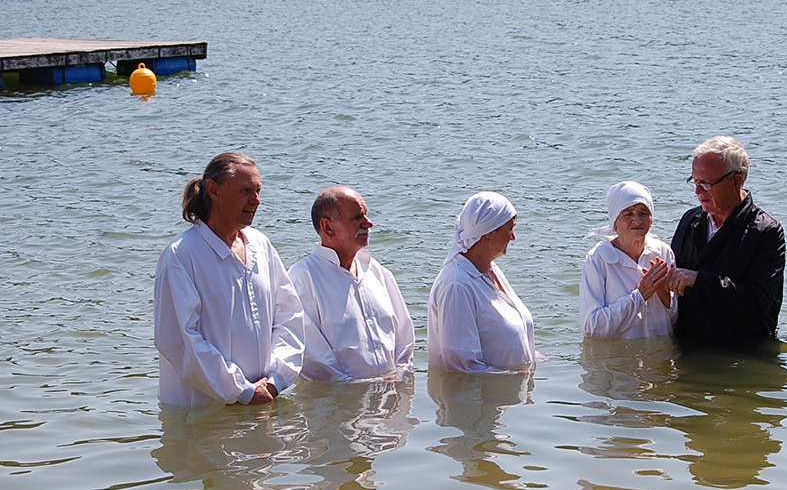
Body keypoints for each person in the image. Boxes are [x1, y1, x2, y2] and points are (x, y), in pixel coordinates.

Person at [154, 152, 304, 406]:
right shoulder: (181, 254)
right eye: (245, 191)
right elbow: (179, 340)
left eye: (258, 191)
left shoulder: (261, 245)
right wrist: (242, 391)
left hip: (263, 399)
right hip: (200, 413)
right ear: (213, 190)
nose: (256, 200)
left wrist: (276, 380)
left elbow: (289, 315)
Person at [288, 186, 415, 382]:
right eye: (357, 217)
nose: (369, 223)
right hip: (339, 399)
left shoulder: (378, 272)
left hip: (392, 394)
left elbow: (404, 337)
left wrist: (400, 376)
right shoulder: (303, 278)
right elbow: (313, 360)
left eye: (366, 215)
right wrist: (365, 387)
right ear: (328, 227)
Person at [666, 136, 785, 343]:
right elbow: (674, 281)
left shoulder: (766, 231)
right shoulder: (690, 220)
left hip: (741, 350)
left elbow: (758, 302)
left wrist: (699, 280)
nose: (698, 192)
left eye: (706, 184)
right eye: (695, 181)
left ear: (736, 181)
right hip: (688, 346)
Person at [428, 191, 536, 373]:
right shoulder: (457, 285)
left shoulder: (490, 270)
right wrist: (514, 375)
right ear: (489, 233)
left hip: (511, 389)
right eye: (509, 229)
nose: (513, 237)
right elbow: (461, 367)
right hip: (492, 391)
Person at [580, 181, 676, 339]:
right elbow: (592, 328)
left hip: (662, 352)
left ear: (651, 220)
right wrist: (640, 295)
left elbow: (677, 318)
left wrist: (664, 294)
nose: (637, 221)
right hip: (620, 354)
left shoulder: (663, 252)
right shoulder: (598, 259)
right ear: (615, 222)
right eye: (628, 214)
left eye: (643, 213)